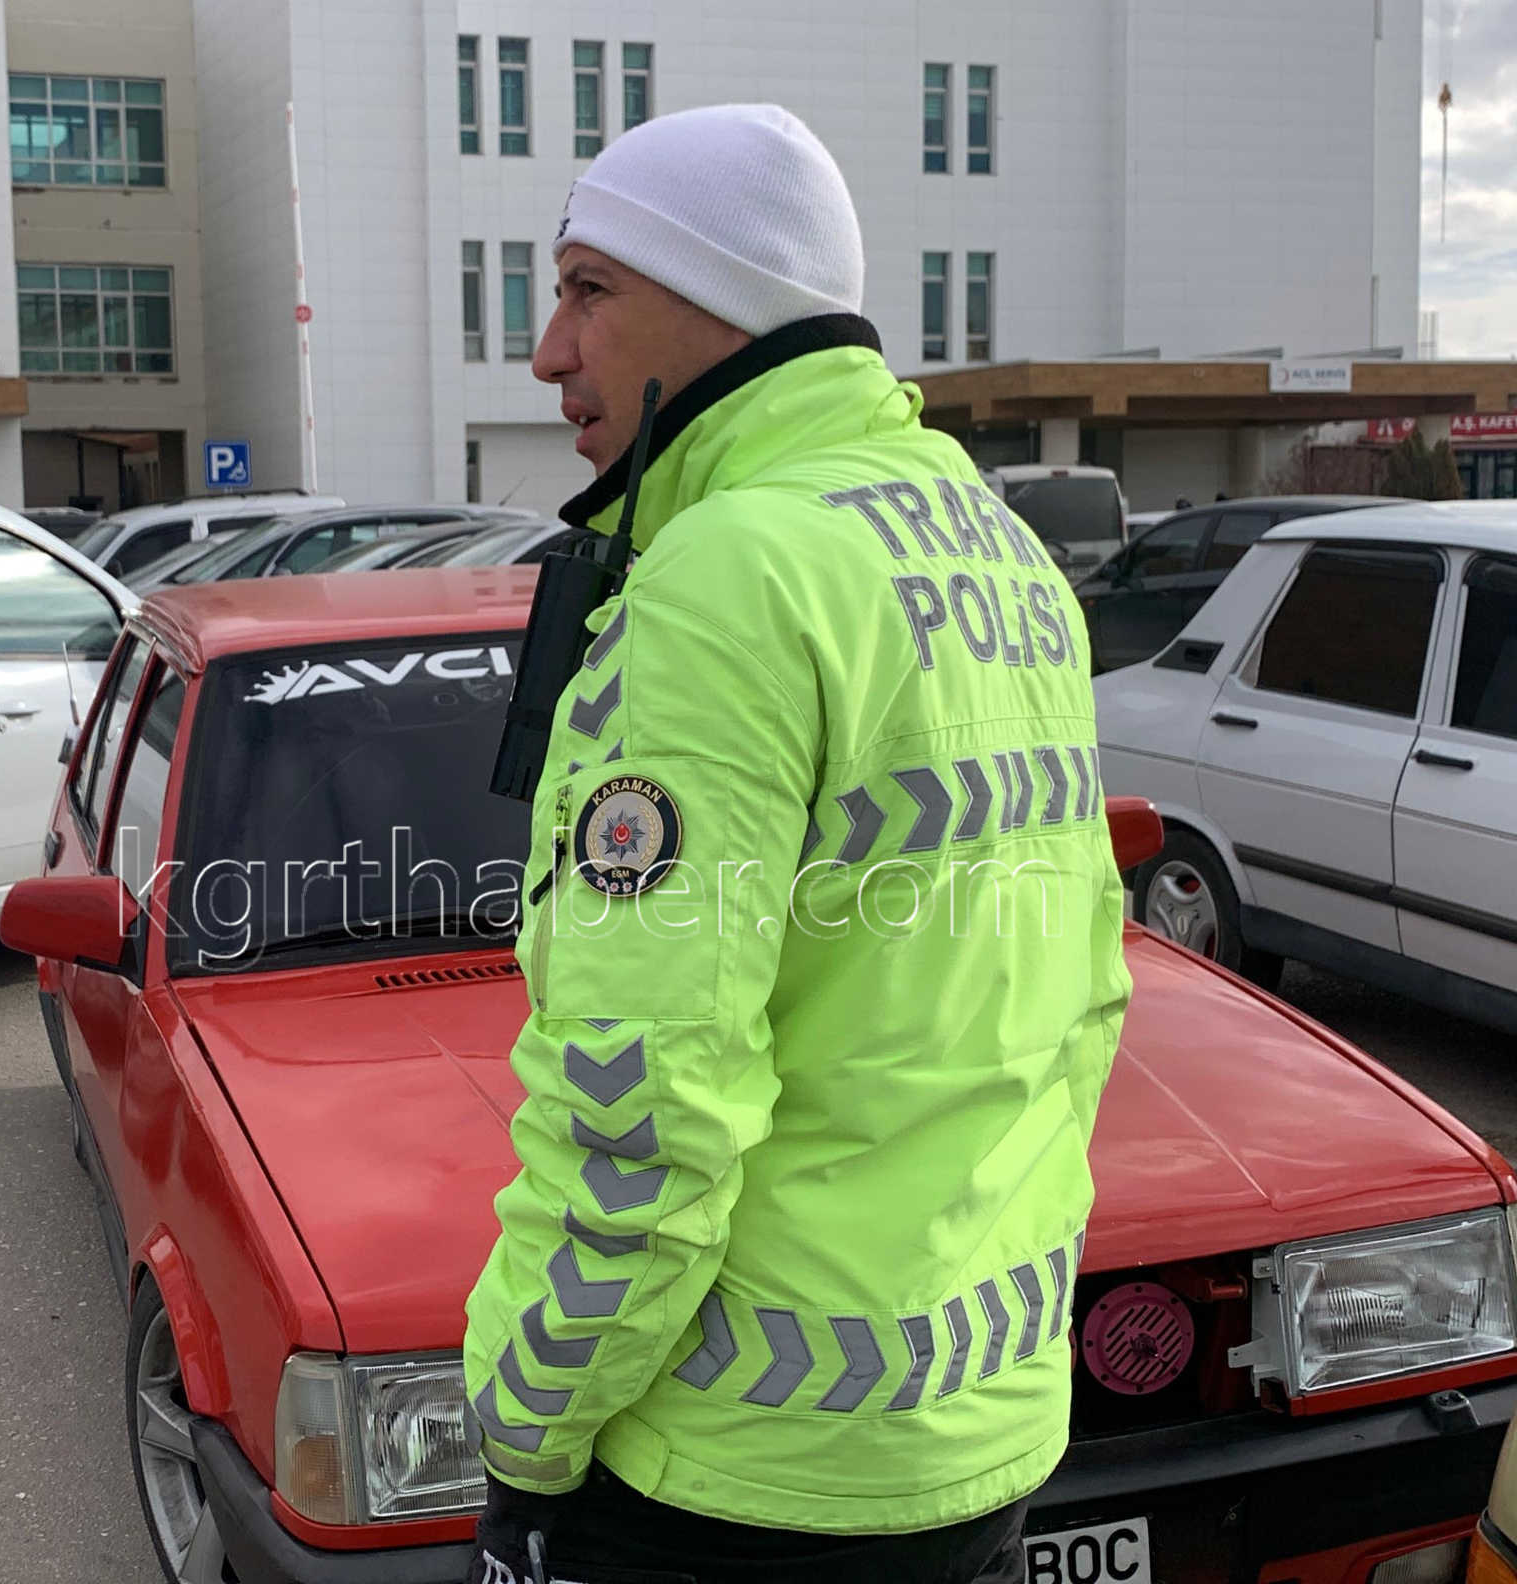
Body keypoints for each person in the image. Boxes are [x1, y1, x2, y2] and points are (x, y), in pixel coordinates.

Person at [462, 103, 1132, 1584]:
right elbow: (1083, 997)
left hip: (732, 1479)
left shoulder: (729, 573)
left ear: (722, 301)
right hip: (978, 1432)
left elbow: (646, 1092)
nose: (547, 353)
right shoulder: (995, 548)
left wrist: (522, 1423)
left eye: (586, 290)